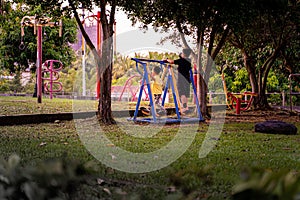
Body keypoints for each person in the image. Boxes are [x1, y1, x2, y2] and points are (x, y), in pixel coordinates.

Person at [166, 48, 192, 114]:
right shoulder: (189, 60)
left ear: (184, 54)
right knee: (185, 94)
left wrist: (167, 59)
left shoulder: (181, 60)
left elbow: (172, 61)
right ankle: (186, 107)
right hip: (187, 79)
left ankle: (184, 107)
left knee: (182, 93)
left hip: (182, 79)